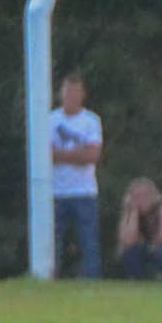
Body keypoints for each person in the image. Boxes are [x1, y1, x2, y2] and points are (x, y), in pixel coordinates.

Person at [45, 73, 104, 278]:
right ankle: (48, 276)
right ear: (60, 94)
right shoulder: (50, 120)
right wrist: (77, 155)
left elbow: (92, 155)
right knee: (53, 240)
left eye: (75, 91)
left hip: (84, 191)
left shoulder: (91, 121)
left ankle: (92, 279)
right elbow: (44, 156)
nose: (71, 95)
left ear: (83, 94)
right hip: (55, 190)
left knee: (88, 240)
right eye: (67, 91)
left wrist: (61, 155)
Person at [112, 177, 162, 279]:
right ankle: (139, 281)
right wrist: (132, 213)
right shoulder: (136, 213)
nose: (141, 200)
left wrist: (150, 247)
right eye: (136, 197)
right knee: (130, 253)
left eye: (145, 196)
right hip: (154, 249)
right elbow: (128, 242)